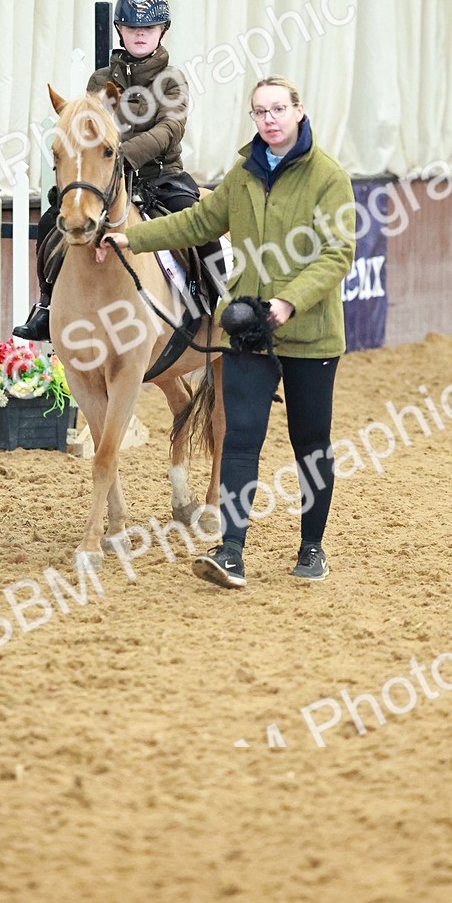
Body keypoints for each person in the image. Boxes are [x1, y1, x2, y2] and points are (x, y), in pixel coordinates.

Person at [99, 76, 356, 589]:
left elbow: (337, 254)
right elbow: (197, 223)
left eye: (278, 109)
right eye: (260, 111)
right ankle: (232, 550)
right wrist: (130, 237)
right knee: (239, 438)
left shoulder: (329, 177)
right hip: (246, 329)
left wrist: (289, 302)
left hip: (311, 335)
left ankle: (312, 548)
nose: (269, 119)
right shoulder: (243, 174)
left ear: (299, 112)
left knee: (310, 443)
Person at [13, 0, 201, 340]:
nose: (140, 34)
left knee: (193, 221)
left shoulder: (172, 79)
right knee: (54, 218)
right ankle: (47, 303)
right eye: (132, 28)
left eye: (148, 28)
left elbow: (171, 128)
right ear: (120, 30)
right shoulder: (100, 80)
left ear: (163, 30)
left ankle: (210, 300)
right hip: (105, 181)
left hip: (161, 178)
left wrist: (126, 156)